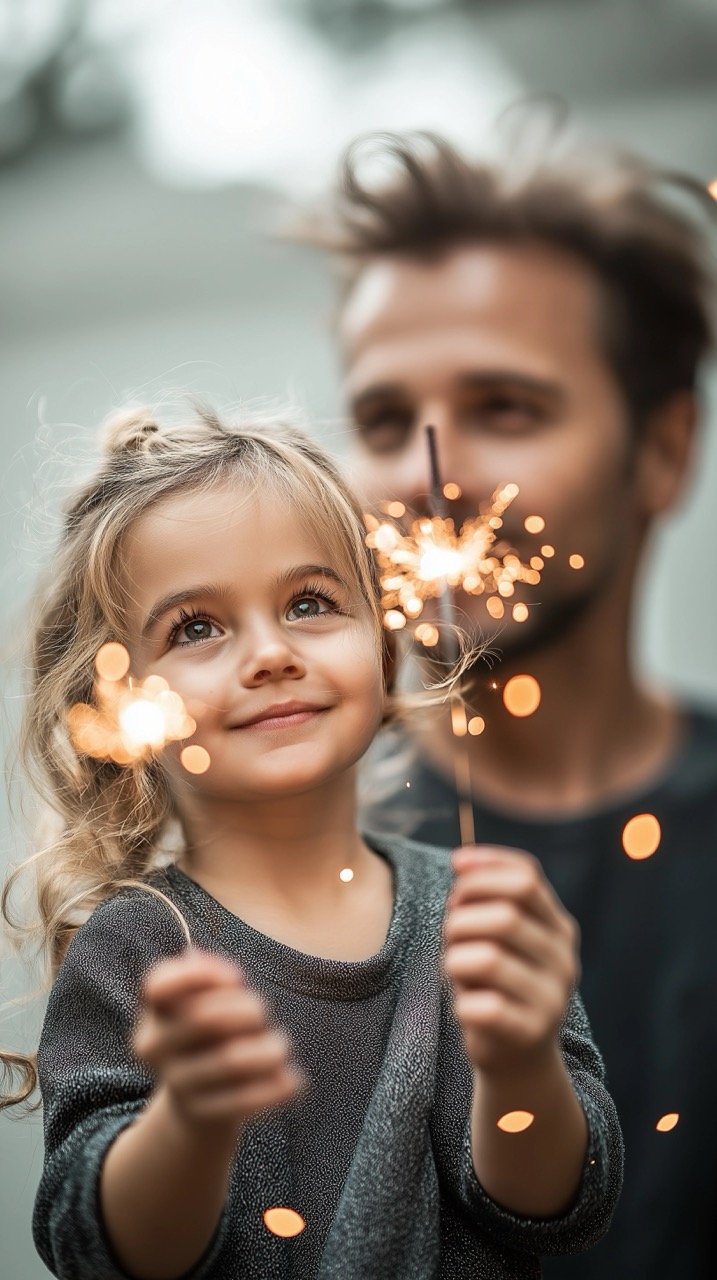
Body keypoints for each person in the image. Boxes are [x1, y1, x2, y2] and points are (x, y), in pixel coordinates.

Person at [0, 405, 621, 1280]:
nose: (269, 653)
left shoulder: (475, 912)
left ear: (383, 647)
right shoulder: (137, 948)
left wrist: (519, 1066)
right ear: (116, 707)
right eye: (197, 628)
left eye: (308, 603)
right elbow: (99, 1251)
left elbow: (559, 1209)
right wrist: (189, 1123)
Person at [303, 129, 717, 1279]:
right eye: (383, 421)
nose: (428, 476)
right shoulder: (270, 857)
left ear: (663, 450)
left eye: (508, 405)